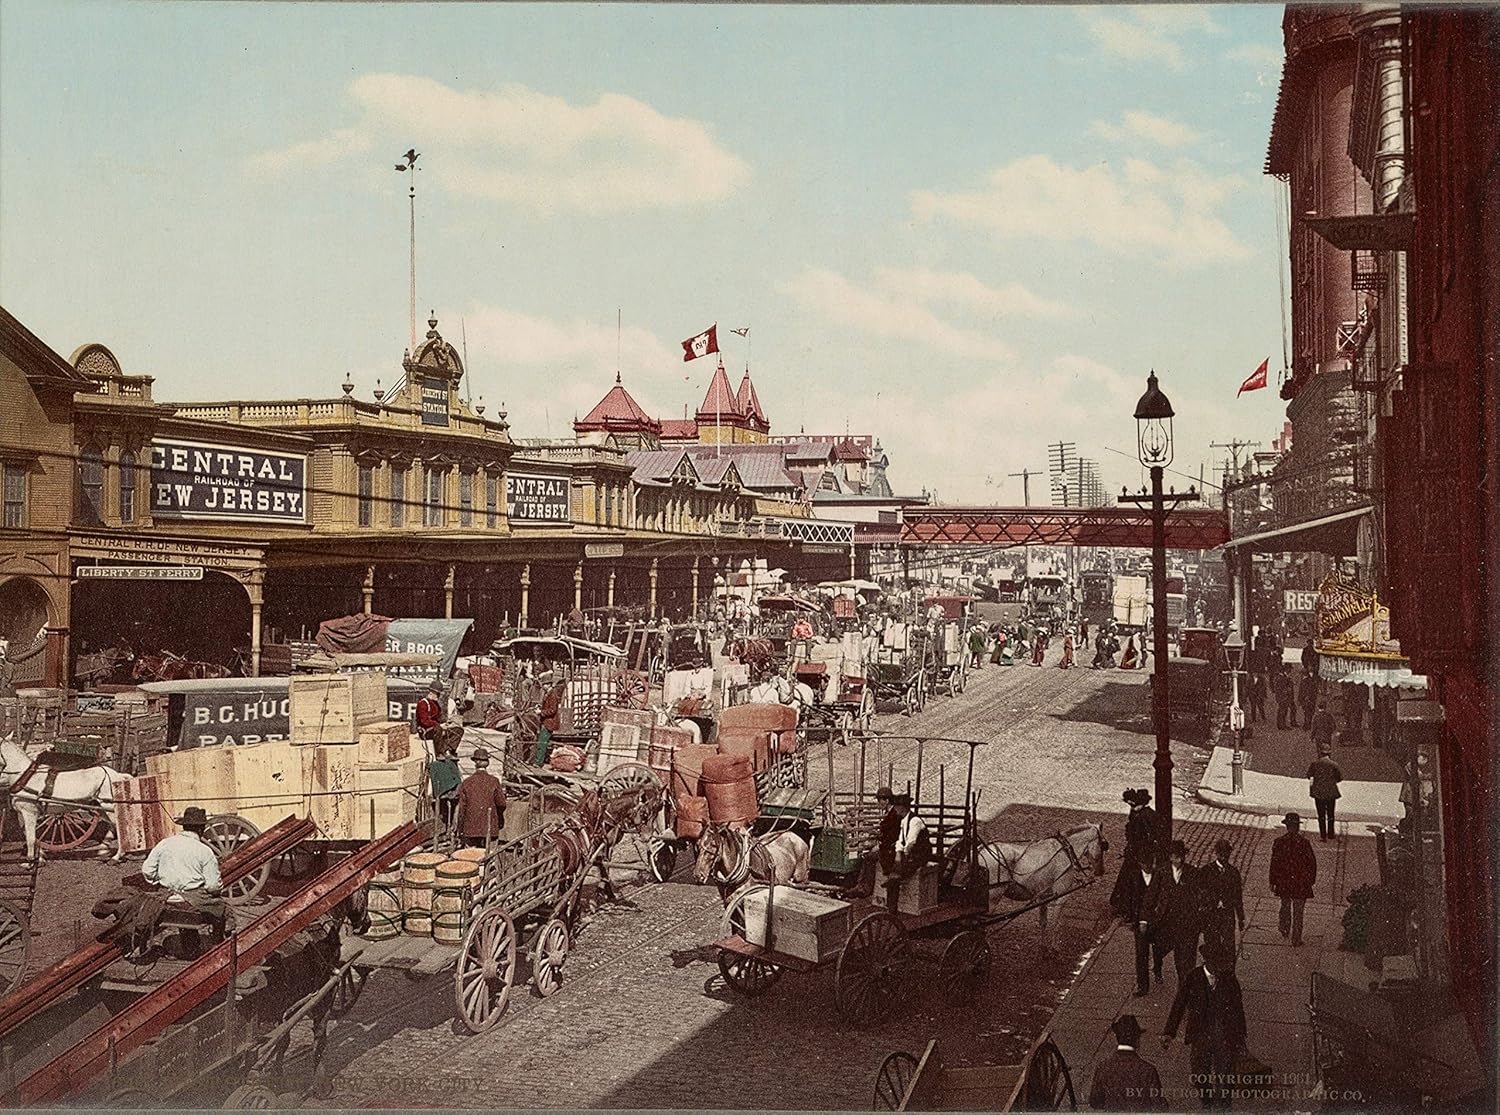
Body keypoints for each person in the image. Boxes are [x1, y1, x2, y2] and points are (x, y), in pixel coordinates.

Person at [1161, 941, 1246, 1109]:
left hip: (1224, 1036)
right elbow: (1179, 1004)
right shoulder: (1193, 977)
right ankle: (1207, 1101)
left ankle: (1223, 1106)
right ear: (1207, 961)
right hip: (1200, 1035)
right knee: (1199, 1074)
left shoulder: (1229, 979)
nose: (1221, 967)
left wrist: (1241, 1038)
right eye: (1217, 963)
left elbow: (1238, 1009)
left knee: (1226, 1076)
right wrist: (1169, 1032)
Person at [142, 806, 227, 941]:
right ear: (201, 829)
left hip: (165, 896)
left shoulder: (165, 843)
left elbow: (147, 870)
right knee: (224, 910)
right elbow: (213, 886)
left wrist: (159, 881)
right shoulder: (204, 851)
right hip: (191, 899)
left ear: (184, 826)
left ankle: (190, 947)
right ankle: (219, 945)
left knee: (187, 909)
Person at [1088, 1015, 1165, 1111]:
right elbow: (1160, 1106)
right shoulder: (1148, 1070)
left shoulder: (1103, 1066)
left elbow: (1095, 1102)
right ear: (1137, 1041)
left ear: (1117, 1038)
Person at [1116, 848, 1165, 997]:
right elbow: (1129, 898)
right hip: (1140, 921)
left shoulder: (1159, 875)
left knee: (1158, 950)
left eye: (1151, 864)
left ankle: (1157, 969)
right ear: (1140, 864)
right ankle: (1143, 985)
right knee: (1141, 954)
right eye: (1145, 864)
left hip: (1156, 921)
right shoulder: (1134, 877)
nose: (1148, 867)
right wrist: (1130, 918)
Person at [1153, 840, 1202, 986]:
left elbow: (1199, 896)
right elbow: (1152, 895)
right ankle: (1157, 968)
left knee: (1184, 959)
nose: (1179, 860)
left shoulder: (1192, 873)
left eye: (1181, 856)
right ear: (1170, 857)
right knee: (1160, 949)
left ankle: (1184, 988)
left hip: (1185, 922)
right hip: (1166, 921)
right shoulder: (1162, 872)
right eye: (1176, 856)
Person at [1268, 812, 1317, 946]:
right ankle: (1296, 938)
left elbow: (1274, 863)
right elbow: (1312, 864)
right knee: (1298, 911)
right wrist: (1310, 881)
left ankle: (1284, 928)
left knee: (1285, 905)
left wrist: (1272, 880)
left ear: (1286, 826)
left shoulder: (1279, 842)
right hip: (1300, 882)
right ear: (1297, 827)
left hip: (1284, 881)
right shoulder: (1304, 843)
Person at [883, 793, 931, 909]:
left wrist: (903, 856)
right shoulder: (904, 821)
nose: (894, 808)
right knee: (892, 867)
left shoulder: (915, 821)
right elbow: (900, 840)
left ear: (902, 807)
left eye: (896, 806)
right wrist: (898, 854)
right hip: (910, 855)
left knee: (894, 877)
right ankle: (892, 883)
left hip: (919, 855)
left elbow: (911, 843)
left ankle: (892, 909)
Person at [1200, 839, 1245, 957]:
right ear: (1216, 853)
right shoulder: (1206, 871)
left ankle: (1228, 971)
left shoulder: (1234, 873)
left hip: (1227, 914)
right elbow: (1200, 894)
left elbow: (1238, 896)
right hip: (1211, 914)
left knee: (1229, 945)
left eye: (1226, 854)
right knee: (1211, 943)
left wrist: (1241, 917)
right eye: (1221, 854)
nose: (1224, 857)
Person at [455, 747, 508, 848]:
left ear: (475, 762)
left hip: (470, 829)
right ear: (487, 763)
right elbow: (501, 804)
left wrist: (460, 829)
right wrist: (498, 819)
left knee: (471, 859)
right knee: (490, 857)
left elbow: (462, 809)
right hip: (490, 827)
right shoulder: (494, 781)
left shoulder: (467, 783)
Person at [1307, 746, 1343, 841]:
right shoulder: (1334, 764)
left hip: (1319, 793)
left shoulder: (1315, 764)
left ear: (1320, 753)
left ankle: (1323, 835)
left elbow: (1308, 775)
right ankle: (1331, 834)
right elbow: (1339, 778)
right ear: (1329, 753)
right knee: (1331, 814)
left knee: (1321, 815)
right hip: (1331, 793)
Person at [428, 738, 462, 827]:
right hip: (446, 791)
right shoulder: (437, 765)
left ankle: (451, 824)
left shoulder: (450, 764)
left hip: (451, 790)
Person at [535, 679, 566, 765]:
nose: (542, 686)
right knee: (541, 742)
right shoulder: (548, 694)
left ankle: (538, 762)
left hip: (549, 722)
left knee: (542, 743)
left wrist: (541, 712)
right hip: (546, 722)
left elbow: (553, 710)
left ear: (548, 684)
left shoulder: (552, 695)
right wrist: (540, 707)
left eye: (544, 684)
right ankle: (538, 761)